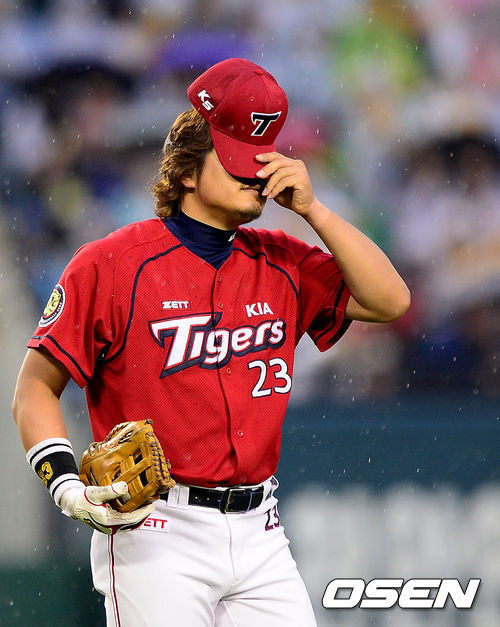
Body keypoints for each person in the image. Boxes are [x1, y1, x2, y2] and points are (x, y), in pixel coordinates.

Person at [12, 58, 410, 626]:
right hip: (155, 528)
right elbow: (34, 388)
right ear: (186, 171)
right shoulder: (112, 264)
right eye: (237, 161)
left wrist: (315, 211)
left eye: (261, 160)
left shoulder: (283, 260)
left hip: (261, 528)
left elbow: (390, 301)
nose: (256, 176)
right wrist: (65, 485)